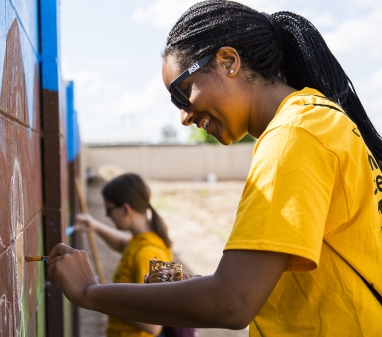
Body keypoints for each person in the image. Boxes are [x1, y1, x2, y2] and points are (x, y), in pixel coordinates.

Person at [47, 1, 382, 336]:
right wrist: (196, 289)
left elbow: (232, 302)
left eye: (182, 93)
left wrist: (88, 291)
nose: (184, 116)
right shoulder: (318, 119)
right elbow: (265, 283)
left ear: (228, 62)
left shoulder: (295, 135)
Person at [75, 173, 195, 337]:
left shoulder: (148, 253)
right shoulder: (147, 241)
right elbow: (123, 244)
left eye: (109, 209)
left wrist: (103, 301)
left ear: (125, 209)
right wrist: (96, 226)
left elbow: (154, 325)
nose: (107, 215)